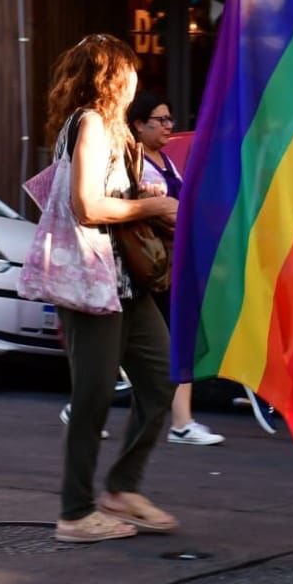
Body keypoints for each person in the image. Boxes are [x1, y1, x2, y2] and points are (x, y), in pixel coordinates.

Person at [44, 34, 179, 542]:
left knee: (162, 380)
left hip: (125, 282)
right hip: (93, 280)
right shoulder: (94, 123)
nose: (135, 82)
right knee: (93, 396)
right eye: (130, 72)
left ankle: (122, 489)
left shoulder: (108, 128)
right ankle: (75, 513)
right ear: (112, 77)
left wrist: (144, 196)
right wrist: (154, 208)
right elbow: (88, 207)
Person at [127, 90, 224, 447]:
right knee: (170, 342)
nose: (169, 126)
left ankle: (180, 421)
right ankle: (180, 423)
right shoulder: (133, 163)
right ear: (138, 124)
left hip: (173, 263)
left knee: (172, 341)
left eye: (170, 119)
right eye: (161, 120)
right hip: (149, 266)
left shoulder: (166, 161)